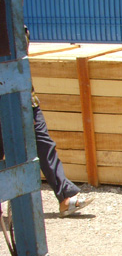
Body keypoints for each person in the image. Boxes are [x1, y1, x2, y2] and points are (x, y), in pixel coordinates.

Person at [26, 26, 93, 217]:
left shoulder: (15, 27)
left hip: (27, 101)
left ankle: (65, 197)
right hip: (7, 103)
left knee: (44, 145)